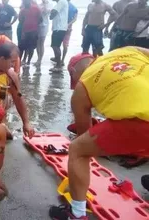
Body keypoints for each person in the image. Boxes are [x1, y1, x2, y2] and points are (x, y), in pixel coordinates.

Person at [49, 46, 149, 219]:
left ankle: (77, 213)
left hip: (141, 122)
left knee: (78, 150)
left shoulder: (82, 87)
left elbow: (83, 137)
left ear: (74, 72)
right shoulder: (126, 50)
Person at [18, 0, 41, 66]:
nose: (26, 3)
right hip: (25, 32)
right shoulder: (22, 11)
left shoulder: (36, 8)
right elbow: (20, 21)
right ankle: (19, 61)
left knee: (31, 48)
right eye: (24, 2)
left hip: (34, 31)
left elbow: (40, 19)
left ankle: (28, 62)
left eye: (27, 1)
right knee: (21, 47)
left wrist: (35, 27)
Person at [49, 0, 68, 72]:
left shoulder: (61, 1)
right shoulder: (61, 2)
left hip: (59, 28)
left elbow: (54, 12)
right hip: (59, 28)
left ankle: (58, 65)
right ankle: (58, 61)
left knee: (55, 46)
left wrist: (51, 14)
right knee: (56, 46)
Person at [35, 0, 52, 67]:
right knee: (37, 43)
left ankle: (40, 60)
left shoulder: (49, 4)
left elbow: (47, 12)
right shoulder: (39, 4)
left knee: (41, 42)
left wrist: (45, 4)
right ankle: (38, 58)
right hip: (37, 25)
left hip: (45, 25)